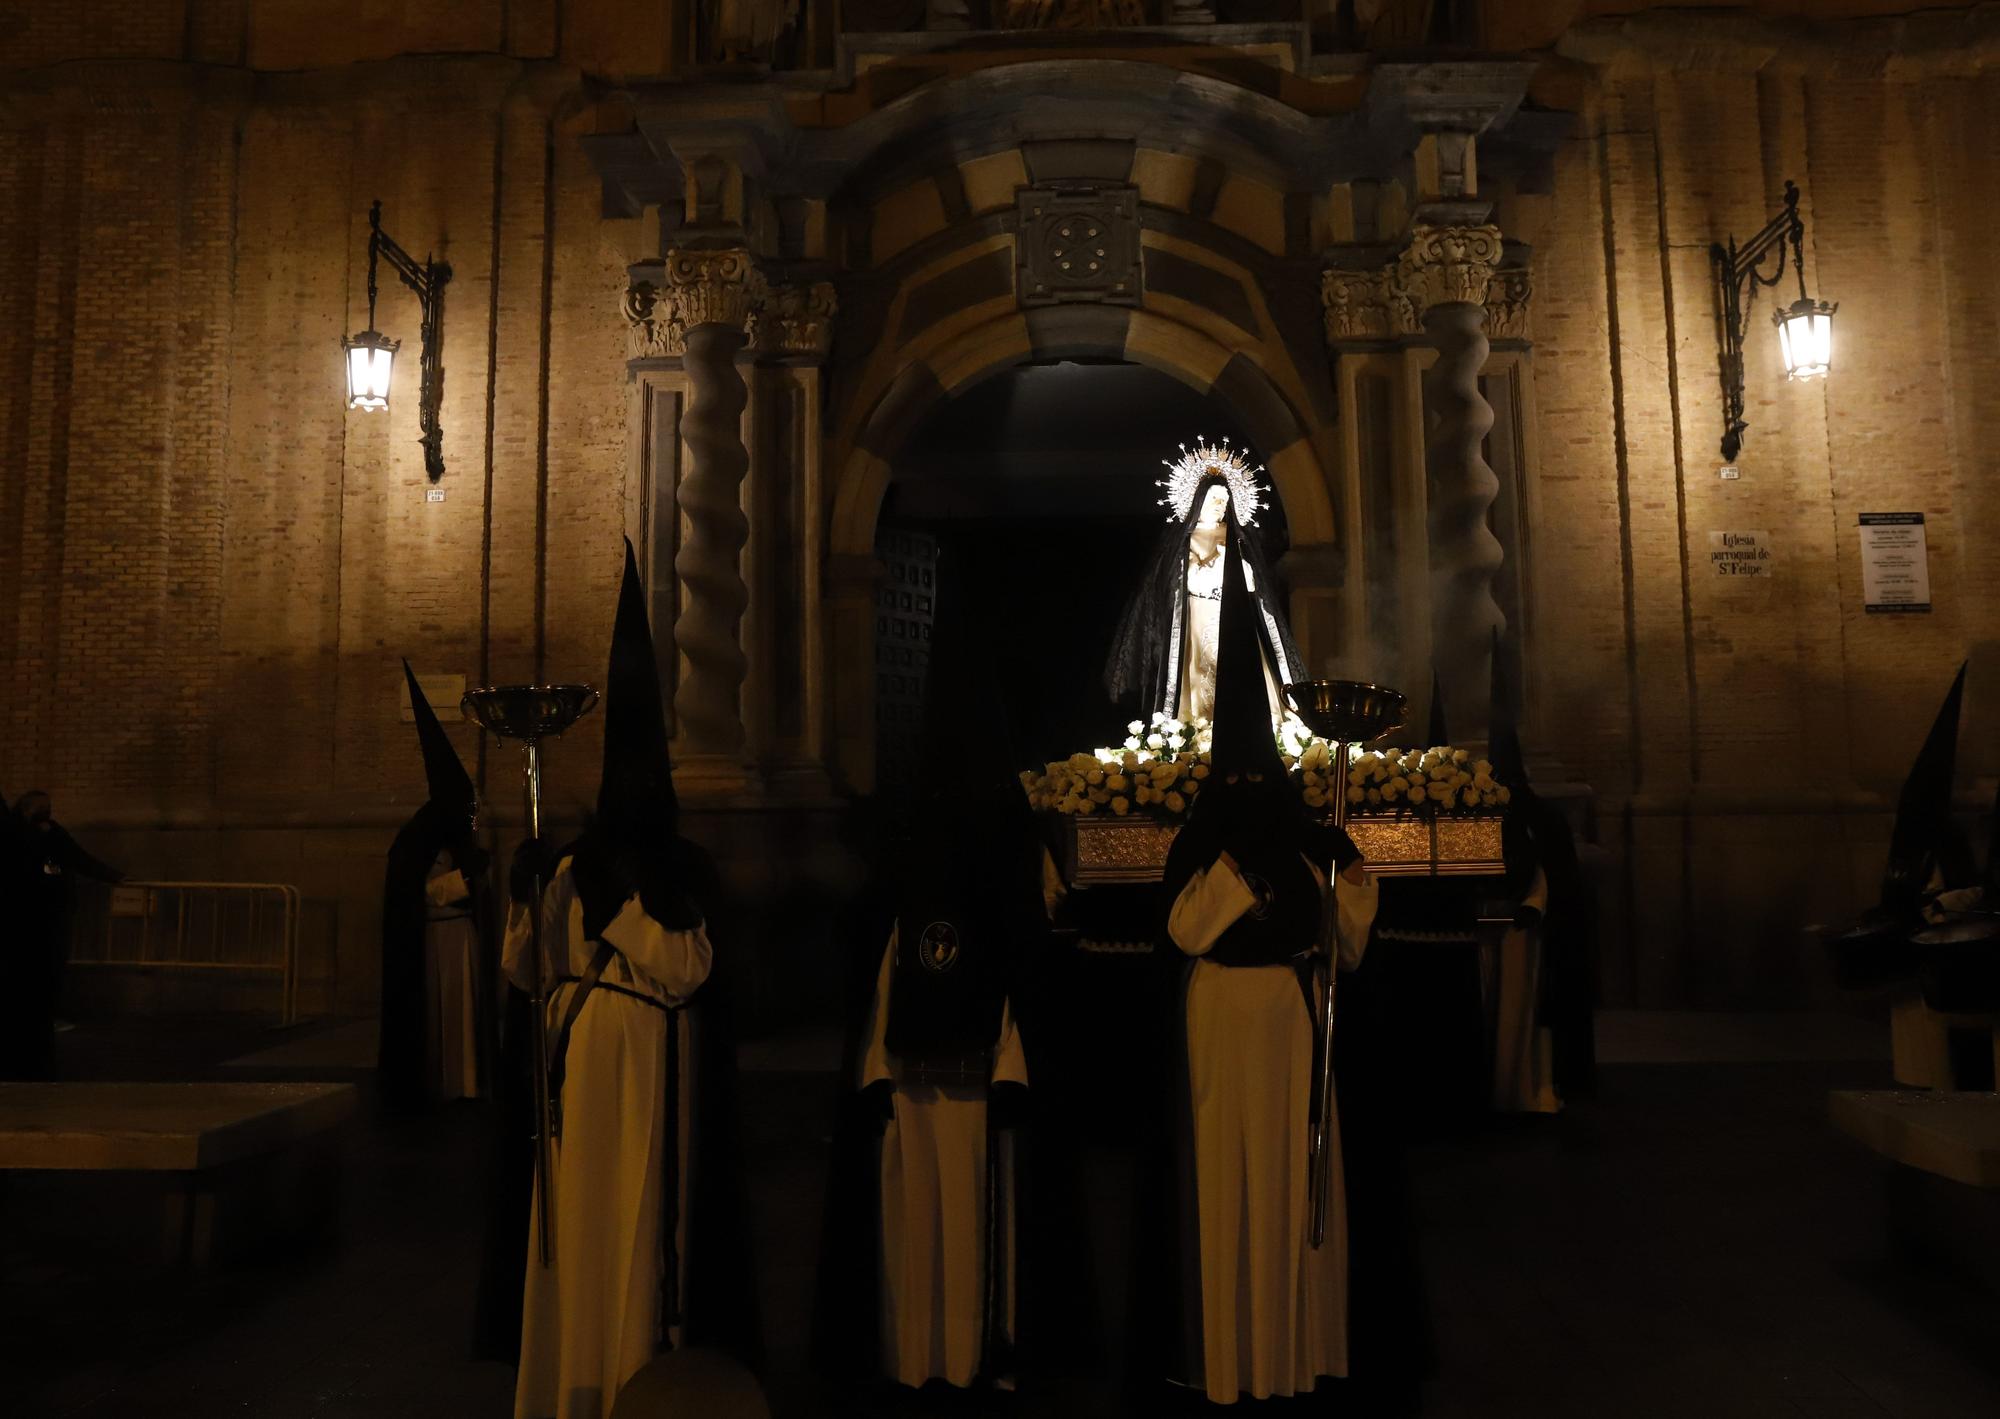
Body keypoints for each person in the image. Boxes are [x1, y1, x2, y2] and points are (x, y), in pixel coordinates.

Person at [505, 540, 756, 1419]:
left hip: (652, 1055)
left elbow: (688, 969)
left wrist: (620, 909)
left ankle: (638, 1376)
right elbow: (528, 972)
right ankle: (574, 1375)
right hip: (585, 1057)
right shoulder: (576, 865)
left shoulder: (678, 870)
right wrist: (527, 891)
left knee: (643, 1220)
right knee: (582, 1221)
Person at [814, 548, 1074, 1395]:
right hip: (976, 1071)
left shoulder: (904, 845)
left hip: (915, 1072)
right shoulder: (1012, 843)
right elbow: (1038, 937)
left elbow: (875, 946)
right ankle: (971, 1351)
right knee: (972, 1213)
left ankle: (914, 1350)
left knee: (920, 1211)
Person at [1147, 540, 1378, 1404]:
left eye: (1257, 775)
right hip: (1219, 1019)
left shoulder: (1299, 827)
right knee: (1228, 1177)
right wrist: (1238, 870)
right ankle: (1233, 1349)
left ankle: (1295, 1343)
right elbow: (1180, 930)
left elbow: (1345, 940)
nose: (1245, 785)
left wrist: (1347, 872)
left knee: (1291, 1174)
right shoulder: (1206, 833)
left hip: (1288, 1013)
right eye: (1232, 774)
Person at [1104, 439, 1304, 726]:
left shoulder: (1239, 541)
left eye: (1224, 500)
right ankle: (1196, 727)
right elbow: (1176, 584)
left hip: (1234, 615)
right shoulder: (1183, 541)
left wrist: (1238, 568)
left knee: (1242, 670)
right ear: (1200, 500)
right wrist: (1209, 566)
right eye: (1214, 499)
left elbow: (1254, 586)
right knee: (1199, 674)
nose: (1220, 506)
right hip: (1197, 618)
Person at [380, 662, 493, 1109]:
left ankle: (463, 1084)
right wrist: (466, 879)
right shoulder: (416, 840)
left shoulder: (450, 836)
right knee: (439, 1017)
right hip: (433, 938)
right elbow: (421, 892)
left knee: (462, 1018)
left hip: (459, 936)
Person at [2, 790, 121, 1077]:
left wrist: (111, 875)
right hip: (29, 921)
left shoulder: (47, 833)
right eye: (42, 809)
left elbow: (76, 856)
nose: (47, 814)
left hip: (46, 919)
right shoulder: (21, 835)